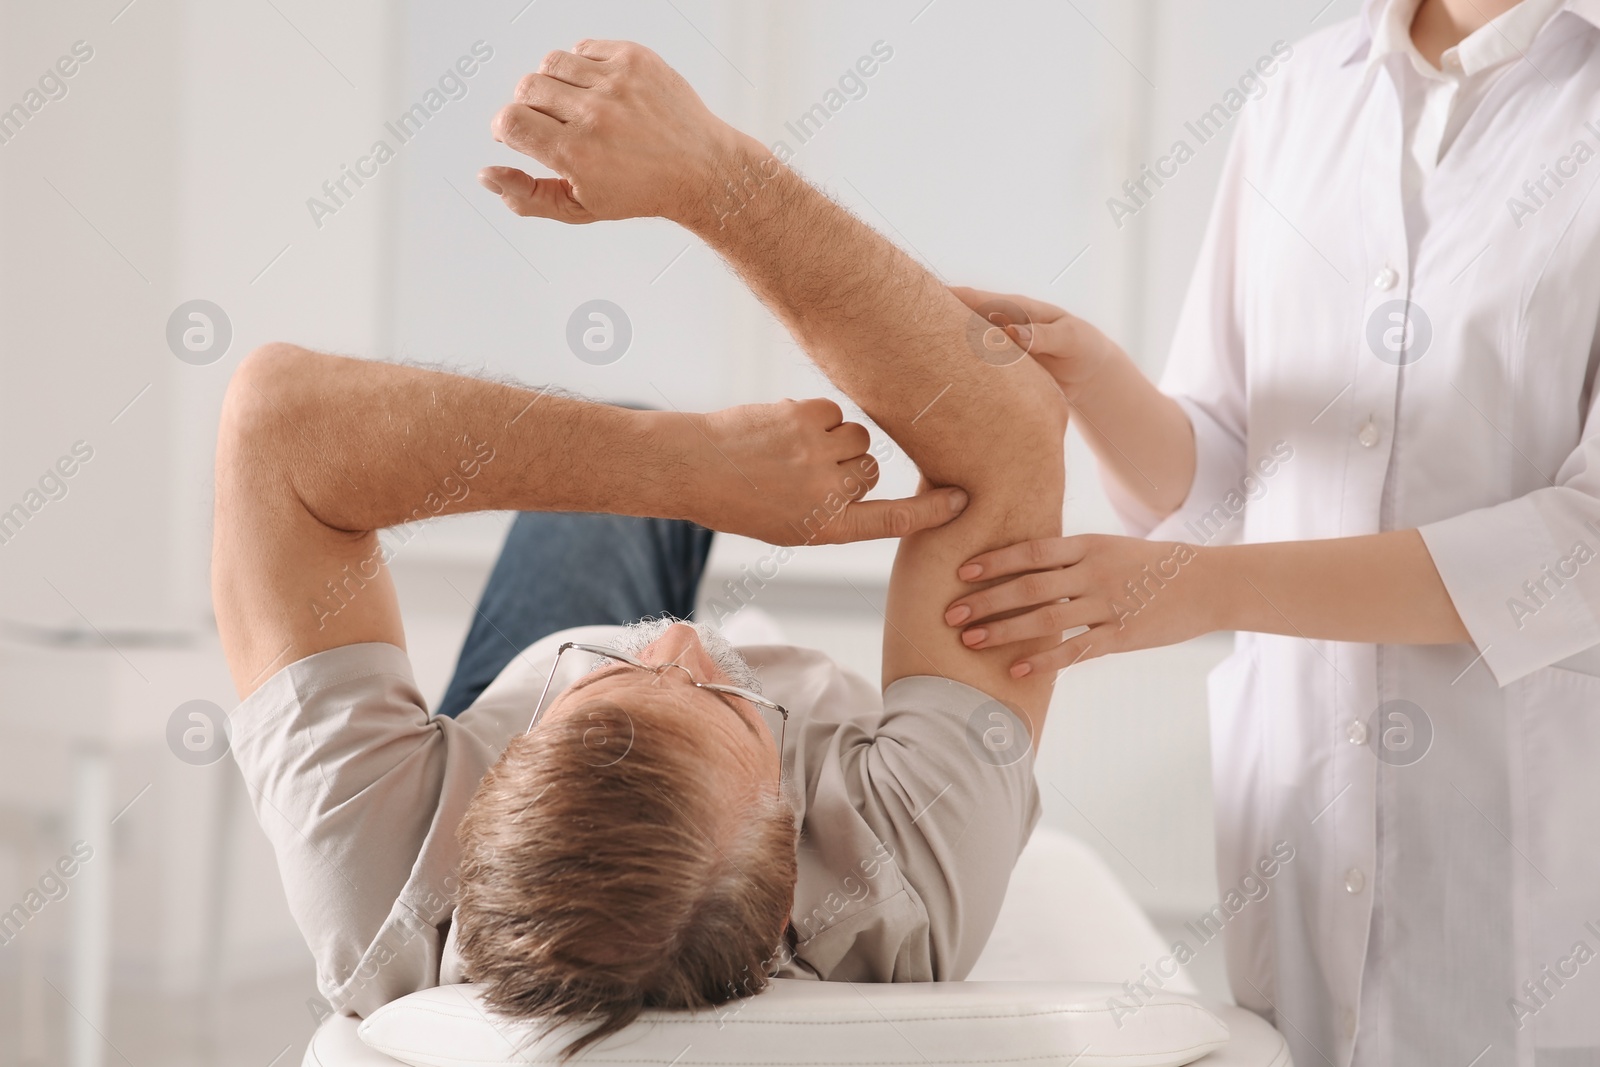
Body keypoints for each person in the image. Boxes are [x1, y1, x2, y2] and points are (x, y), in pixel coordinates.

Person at [215, 40, 1069, 1054]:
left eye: (604, 686)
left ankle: (619, 604)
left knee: (616, 440)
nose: (671, 643)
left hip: (509, 710)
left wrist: (677, 467)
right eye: (726, 703)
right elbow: (1008, 428)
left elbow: (275, 425)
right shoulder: (902, 894)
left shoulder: (381, 883)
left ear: (491, 781)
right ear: (794, 842)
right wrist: (713, 176)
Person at [937, 1, 1600, 1064]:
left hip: (1524, 869)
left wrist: (1208, 587)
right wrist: (1096, 381)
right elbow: (1228, 477)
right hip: (1300, 825)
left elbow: (1584, 543)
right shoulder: (1302, 90)